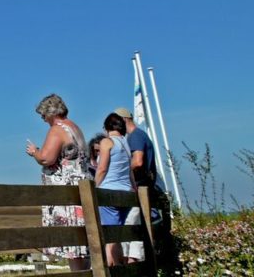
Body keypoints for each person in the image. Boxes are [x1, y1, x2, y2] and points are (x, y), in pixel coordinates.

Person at [25, 94, 89, 271]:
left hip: (66, 192)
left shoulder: (57, 129)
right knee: (82, 242)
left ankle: (78, 274)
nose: (43, 120)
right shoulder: (74, 127)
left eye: (43, 115)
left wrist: (34, 151)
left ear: (50, 112)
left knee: (72, 245)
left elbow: (47, 158)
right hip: (81, 188)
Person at [113, 107, 166, 263]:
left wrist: (119, 169)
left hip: (139, 188)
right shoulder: (140, 135)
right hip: (144, 188)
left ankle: (132, 263)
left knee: (131, 227)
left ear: (123, 120)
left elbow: (137, 161)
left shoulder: (135, 136)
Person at [95, 112, 133, 266]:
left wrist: (94, 187)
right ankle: (119, 268)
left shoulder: (107, 142)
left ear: (106, 127)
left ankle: (110, 270)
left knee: (109, 238)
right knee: (117, 236)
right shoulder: (126, 143)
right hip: (126, 192)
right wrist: (134, 190)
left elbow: (102, 168)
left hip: (109, 192)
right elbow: (130, 171)